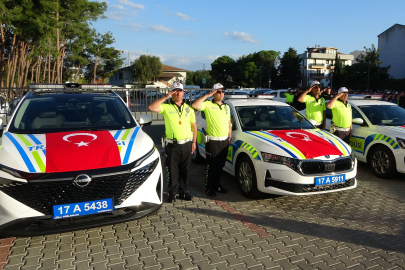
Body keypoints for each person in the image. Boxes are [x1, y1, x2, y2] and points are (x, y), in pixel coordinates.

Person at [148, 82, 197, 203]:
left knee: (185, 170)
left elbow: (194, 126)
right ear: (172, 93)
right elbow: (152, 108)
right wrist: (165, 98)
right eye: (175, 91)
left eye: (180, 91)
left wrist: (194, 141)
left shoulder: (189, 108)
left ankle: (184, 192)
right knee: (172, 170)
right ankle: (172, 193)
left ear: (183, 92)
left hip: (186, 143)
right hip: (172, 144)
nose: (178, 93)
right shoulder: (167, 107)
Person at [192, 83, 232, 196]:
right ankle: (209, 187)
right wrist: (208, 95)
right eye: (218, 91)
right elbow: (195, 105)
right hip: (213, 141)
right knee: (212, 165)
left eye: (223, 91)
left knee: (221, 165)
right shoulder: (208, 104)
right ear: (214, 93)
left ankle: (217, 185)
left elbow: (229, 123)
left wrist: (229, 137)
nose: (221, 93)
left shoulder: (226, 106)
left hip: (224, 140)